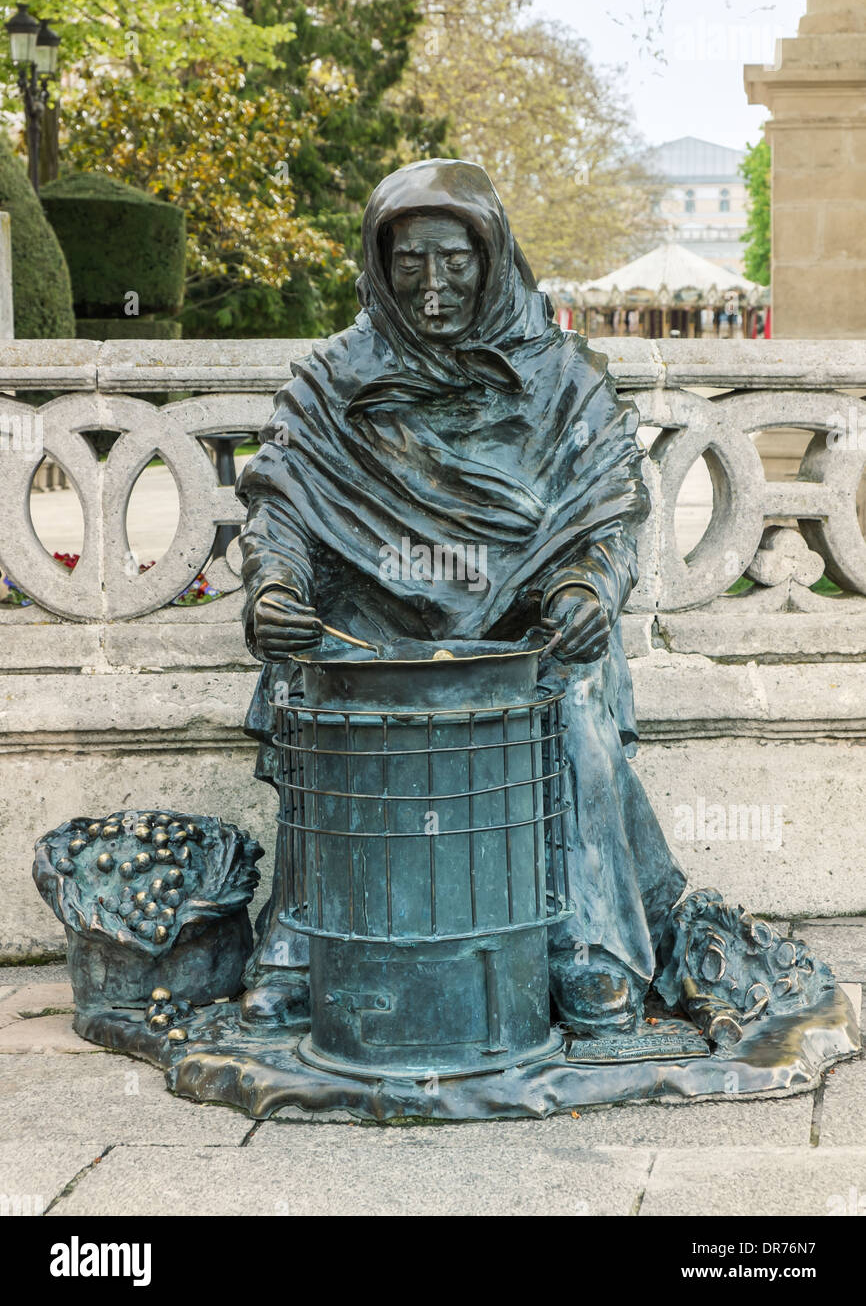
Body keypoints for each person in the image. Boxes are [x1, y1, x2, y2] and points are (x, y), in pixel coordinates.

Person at [237, 158, 687, 1037]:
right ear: (378, 261)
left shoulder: (561, 378)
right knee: (313, 682)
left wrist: (591, 585)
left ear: (492, 259)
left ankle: (584, 938)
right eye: (409, 263)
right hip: (371, 625)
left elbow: (610, 513)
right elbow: (278, 506)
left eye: (454, 261)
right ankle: (303, 940)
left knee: (576, 685)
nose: (433, 287)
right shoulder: (332, 379)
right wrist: (276, 587)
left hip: (526, 625)